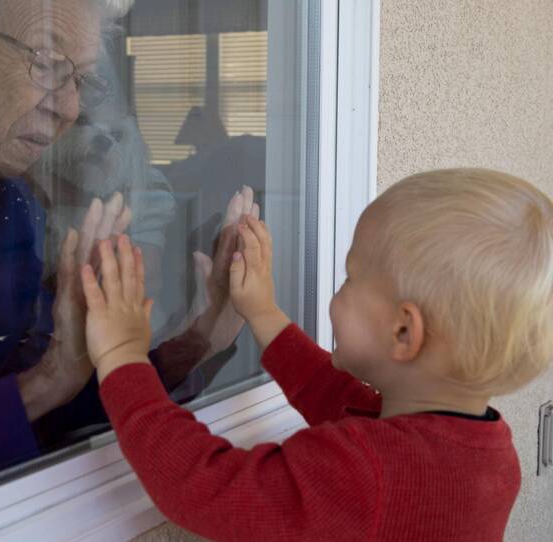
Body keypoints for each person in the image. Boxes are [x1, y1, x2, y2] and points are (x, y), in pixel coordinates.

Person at [0, 0, 248, 500]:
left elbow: (51, 416)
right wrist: (45, 382)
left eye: (81, 78)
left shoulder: (5, 207)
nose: (67, 107)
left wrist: (199, 340)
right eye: (46, 63)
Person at [80, 168, 553, 541]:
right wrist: (264, 314)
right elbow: (339, 399)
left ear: (403, 330)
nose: (337, 289)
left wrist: (124, 356)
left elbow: (203, 488)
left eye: (349, 278)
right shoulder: (485, 454)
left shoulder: (368, 473)